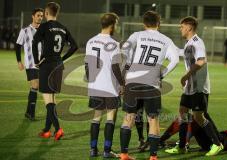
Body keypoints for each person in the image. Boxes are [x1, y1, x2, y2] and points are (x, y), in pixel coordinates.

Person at [120, 11, 179, 160]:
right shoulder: (166, 40)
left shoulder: (136, 35)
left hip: (133, 78)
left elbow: (124, 49)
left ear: (144, 23)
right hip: (152, 81)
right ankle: (153, 156)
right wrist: (162, 73)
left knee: (129, 117)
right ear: (159, 23)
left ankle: (124, 154)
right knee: (153, 119)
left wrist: (130, 63)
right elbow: (175, 60)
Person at [165, 16, 224, 156]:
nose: (180, 29)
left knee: (199, 117)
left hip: (199, 87)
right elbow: (183, 53)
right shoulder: (189, 43)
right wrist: (169, 47)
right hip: (190, 88)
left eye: (182, 26)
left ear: (189, 27)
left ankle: (217, 144)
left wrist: (186, 75)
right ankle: (181, 146)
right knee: (183, 113)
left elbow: (201, 61)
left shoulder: (197, 42)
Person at [32, 2, 78, 140]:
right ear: (57, 13)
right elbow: (74, 46)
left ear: (46, 13)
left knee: (48, 100)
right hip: (58, 66)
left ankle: (58, 129)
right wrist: (62, 58)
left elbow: (34, 43)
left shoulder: (44, 26)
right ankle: (47, 130)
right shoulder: (63, 28)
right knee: (52, 99)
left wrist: (36, 61)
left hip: (47, 66)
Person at [85, 12, 123, 158]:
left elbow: (87, 66)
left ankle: (93, 149)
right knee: (110, 118)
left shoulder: (90, 41)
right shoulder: (113, 44)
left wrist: (92, 81)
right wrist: (122, 84)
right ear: (112, 25)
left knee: (96, 117)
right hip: (110, 86)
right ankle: (107, 151)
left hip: (96, 86)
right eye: (117, 24)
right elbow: (115, 67)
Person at [15, 8, 44, 120]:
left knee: (35, 87)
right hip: (31, 64)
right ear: (33, 16)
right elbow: (18, 46)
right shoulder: (25, 30)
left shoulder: (44, 30)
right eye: (38, 15)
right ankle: (31, 113)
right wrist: (19, 62)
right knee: (35, 85)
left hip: (42, 64)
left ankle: (28, 112)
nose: (40, 18)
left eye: (42, 16)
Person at [160, 114, 227, 151]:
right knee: (186, 116)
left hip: (221, 142)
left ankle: (182, 145)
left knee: (197, 116)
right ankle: (161, 140)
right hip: (219, 137)